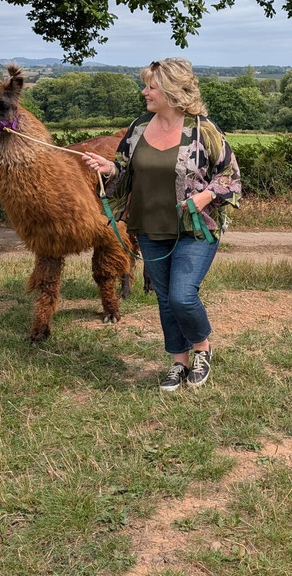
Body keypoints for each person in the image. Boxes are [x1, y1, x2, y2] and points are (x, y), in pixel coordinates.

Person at [81, 58, 241, 391]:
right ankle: (179, 362)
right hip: (150, 228)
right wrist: (109, 168)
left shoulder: (203, 129)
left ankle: (202, 348)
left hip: (195, 229)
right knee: (166, 299)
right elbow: (125, 170)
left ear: (171, 91)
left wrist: (205, 195)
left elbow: (231, 177)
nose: (144, 92)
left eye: (151, 87)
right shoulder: (139, 127)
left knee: (183, 297)